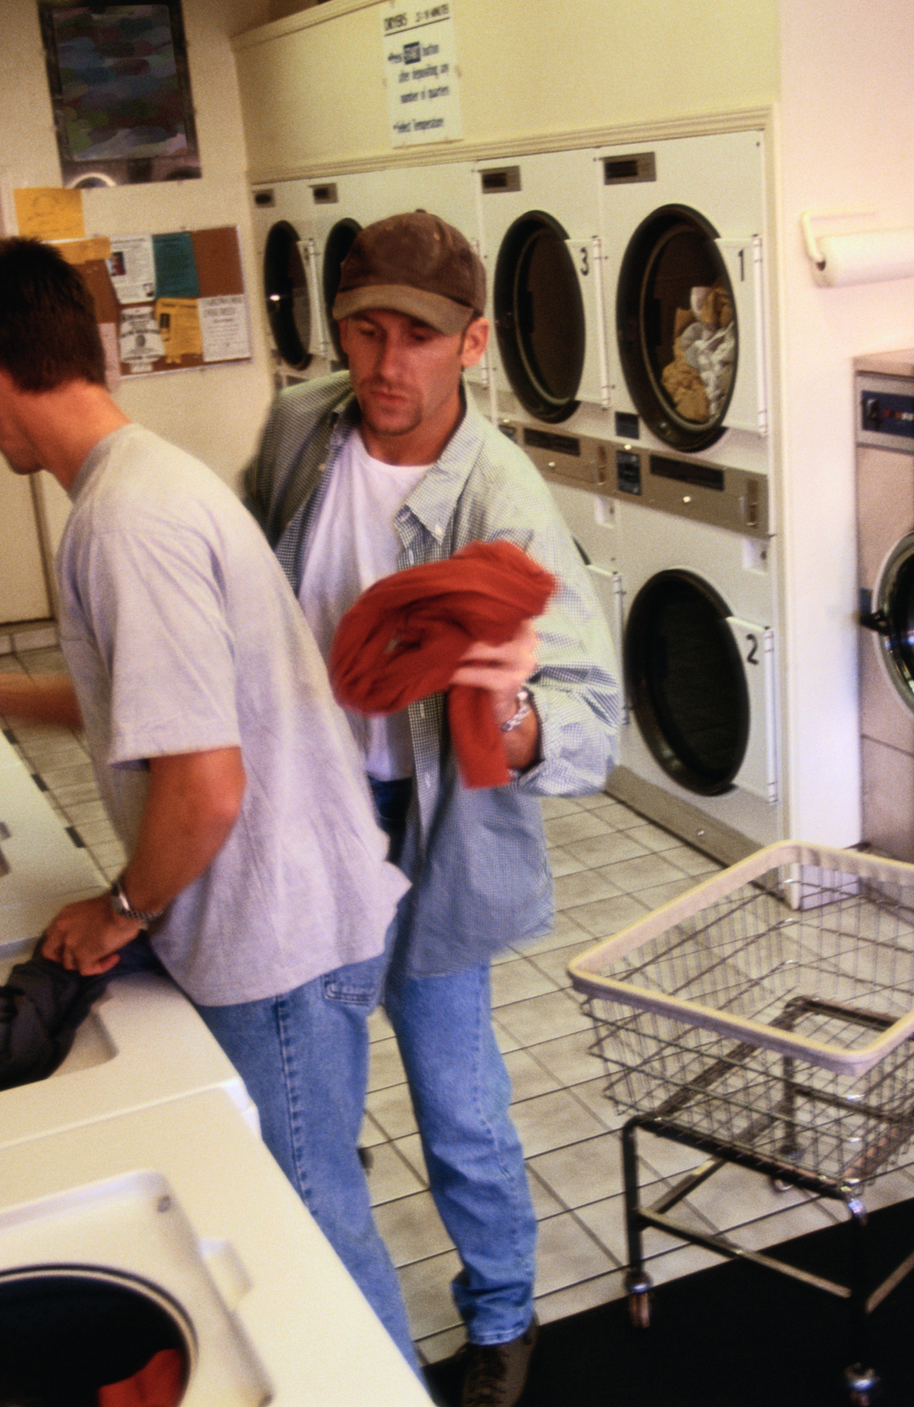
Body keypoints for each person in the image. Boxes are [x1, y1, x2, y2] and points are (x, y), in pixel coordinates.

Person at [0, 236, 416, 1356]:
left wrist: (123, 913)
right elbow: (150, 706)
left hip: (277, 941)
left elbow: (205, 784)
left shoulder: (122, 522)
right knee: (303, 1200)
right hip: (288, 913)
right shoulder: (143, 478)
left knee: (308, 1224)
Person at [243, 211, 623, 1407]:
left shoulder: (498, 502)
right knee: (317, 1092)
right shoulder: (301, 429)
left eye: (418, 335)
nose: (386, 362)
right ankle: (335, 1315)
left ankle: (503, 1316)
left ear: (473, 344)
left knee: (455, 1090)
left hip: (432, 828)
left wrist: (508, 718)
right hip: (310, 809)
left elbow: (588, 725)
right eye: (364, 329)